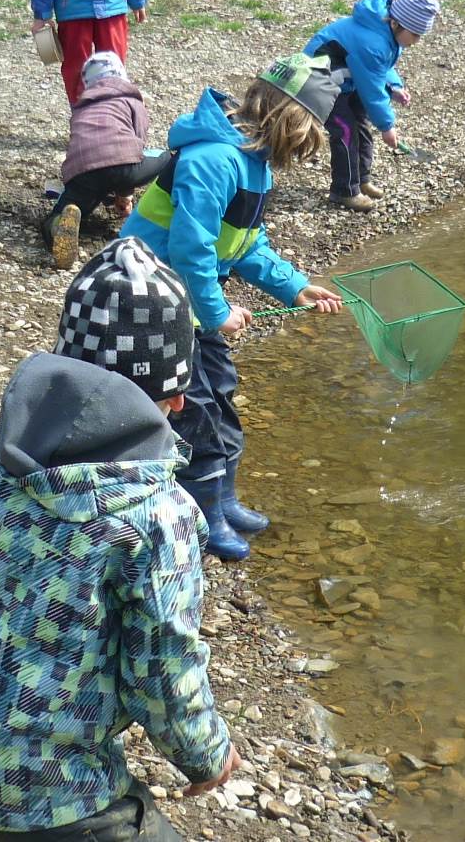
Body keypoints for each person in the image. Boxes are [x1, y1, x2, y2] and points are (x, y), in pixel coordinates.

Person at [0, 237, 239, 841]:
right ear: (173, 399)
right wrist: (206, 754)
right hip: (53, 796)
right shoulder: (155, 515)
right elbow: (162, 669)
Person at [121, 55, 347, 561]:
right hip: (152, 296)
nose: (304, 151)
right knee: (194, 407)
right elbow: (191, 248)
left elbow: (244, 244)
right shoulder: (214, 160)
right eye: (307, 137)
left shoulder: (253, 163)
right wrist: (218, 311)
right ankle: (202, 515)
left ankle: (223, 498)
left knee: (221, 391)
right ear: (288, 121)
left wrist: (295, 288)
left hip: (190, 299)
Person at [302, 0, 441, 211]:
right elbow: (372, 90)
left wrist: (394, 86)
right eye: (415, 35)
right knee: (345, 130)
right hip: (317, 81)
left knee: (362, 125)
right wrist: (387, 126)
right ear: (396, 23)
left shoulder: (387, 32)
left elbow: (381, 67)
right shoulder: (372, 42)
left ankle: (361, 179)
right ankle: (344, 191)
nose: (416, 41)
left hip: (345, 80)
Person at [45, 51, 167, 272]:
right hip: (124, 166)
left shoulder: (82, 107)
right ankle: (167, 216)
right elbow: (137, 144)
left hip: (83, 172)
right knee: (169, 157)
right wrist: (125, 194)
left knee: (62, 211)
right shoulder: (130, 99)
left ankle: (56, 226)